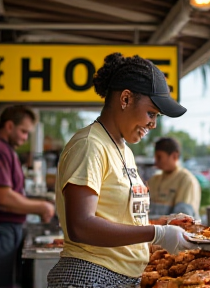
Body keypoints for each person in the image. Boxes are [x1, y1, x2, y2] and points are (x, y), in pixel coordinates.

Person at [47, 52, 196, 288]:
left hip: (123, 278)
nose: (153, 124)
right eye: (151, 113)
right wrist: (156, 233)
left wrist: (163, 224)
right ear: (125, 99)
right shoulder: (90, 145)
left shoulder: (124, 149)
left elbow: (119, 218)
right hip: (90, 276)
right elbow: (81, 225)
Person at [0, 105, 55, 288]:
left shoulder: (8, 151)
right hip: (3, 229)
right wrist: (41, 207)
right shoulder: (1, 150)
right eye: (23, 132)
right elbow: (4, 197)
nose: (25, 138)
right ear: (9, 126)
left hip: (10, 229)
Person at [148, 137, 201, 219]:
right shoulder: (154, 180)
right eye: (155, 157)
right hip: (154, 231)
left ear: (174, 156)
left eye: (159, 157)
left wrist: (151, 221)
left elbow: (182, 219)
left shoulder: (186, 180)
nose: (155, 162)